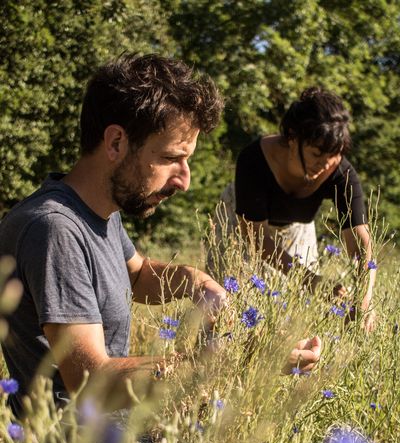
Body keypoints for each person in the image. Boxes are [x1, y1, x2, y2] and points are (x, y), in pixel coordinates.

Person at [0, 54, 322, 420]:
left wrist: (197, 282)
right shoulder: (54, 228)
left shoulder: (96, 213)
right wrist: (241, 359)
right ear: (116, 142)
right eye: (172, 158)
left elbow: (136, 275)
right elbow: (90, 382)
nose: (184, 181)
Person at [209, 87, 376, 332]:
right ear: (292, 138)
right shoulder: (253, 160)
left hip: (296, 226)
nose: (326, 164)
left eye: (334, 155)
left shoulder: (340, 172)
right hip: (242, 225)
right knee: (228, 309)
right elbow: (255, 238)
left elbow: (360, 242)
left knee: (291, 311)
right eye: (317, 153)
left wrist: (364, 299)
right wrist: (312, 281)